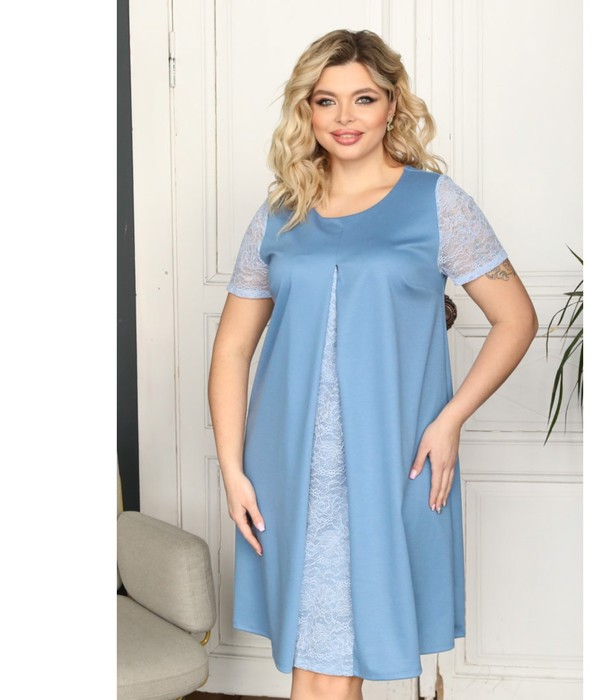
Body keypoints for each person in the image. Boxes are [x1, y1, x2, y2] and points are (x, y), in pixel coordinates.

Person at [209, 28, 538, 700]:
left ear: (392, 105)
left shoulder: (437, 203)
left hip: (389, 462)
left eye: (363, 98)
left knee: (332, 660)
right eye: (325, 100)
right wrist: (232, 469)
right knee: (317, 660)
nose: (344, 117)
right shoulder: (279, 214)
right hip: (289, 471)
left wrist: (449, 420)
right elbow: (233, 349)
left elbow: (517, 319)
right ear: (306, 111)